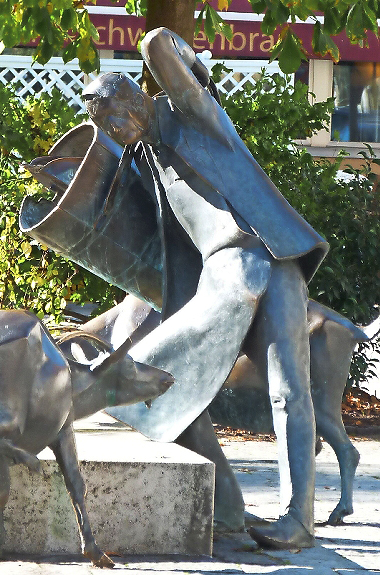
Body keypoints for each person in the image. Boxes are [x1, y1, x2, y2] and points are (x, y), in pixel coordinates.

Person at [82, 27, 329, 549]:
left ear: (135, 98)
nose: (114, 130)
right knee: (147, 382)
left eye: (114, 116)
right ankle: (227, 505)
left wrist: (194, 64)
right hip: (223, 278)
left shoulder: (191, 111)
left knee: (291, 392)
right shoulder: (146, 158)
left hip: (272, 256)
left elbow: (155, 43)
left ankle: (298, 521)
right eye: (105, 125)